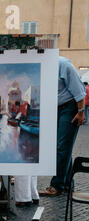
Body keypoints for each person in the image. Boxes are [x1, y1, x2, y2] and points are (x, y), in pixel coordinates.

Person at [39, 56, 86, 197]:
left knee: (61, 147)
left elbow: (79, 90)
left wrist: (81, 112)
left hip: (71, 107)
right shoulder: (41, 67)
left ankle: (56, 185)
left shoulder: (63, 64)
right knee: (63, 147)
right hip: (57, 108)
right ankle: (67, 184)